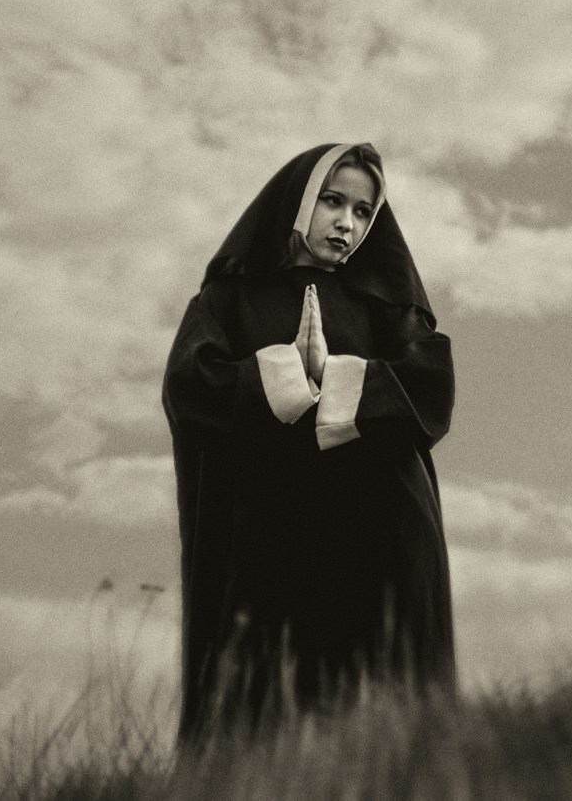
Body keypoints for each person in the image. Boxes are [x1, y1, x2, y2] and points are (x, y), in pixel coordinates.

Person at [162, 142, 455, 745]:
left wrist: (339, 375)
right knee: (265, 712)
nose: (347, 222)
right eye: (332, 201)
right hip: (268, 537)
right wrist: (281, 371)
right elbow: (190, 387)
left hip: (379, 534)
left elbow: (430, 391)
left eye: (364, 211)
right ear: (297, 201)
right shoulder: (227, 299)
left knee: (384, 709)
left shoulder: (388, 305)